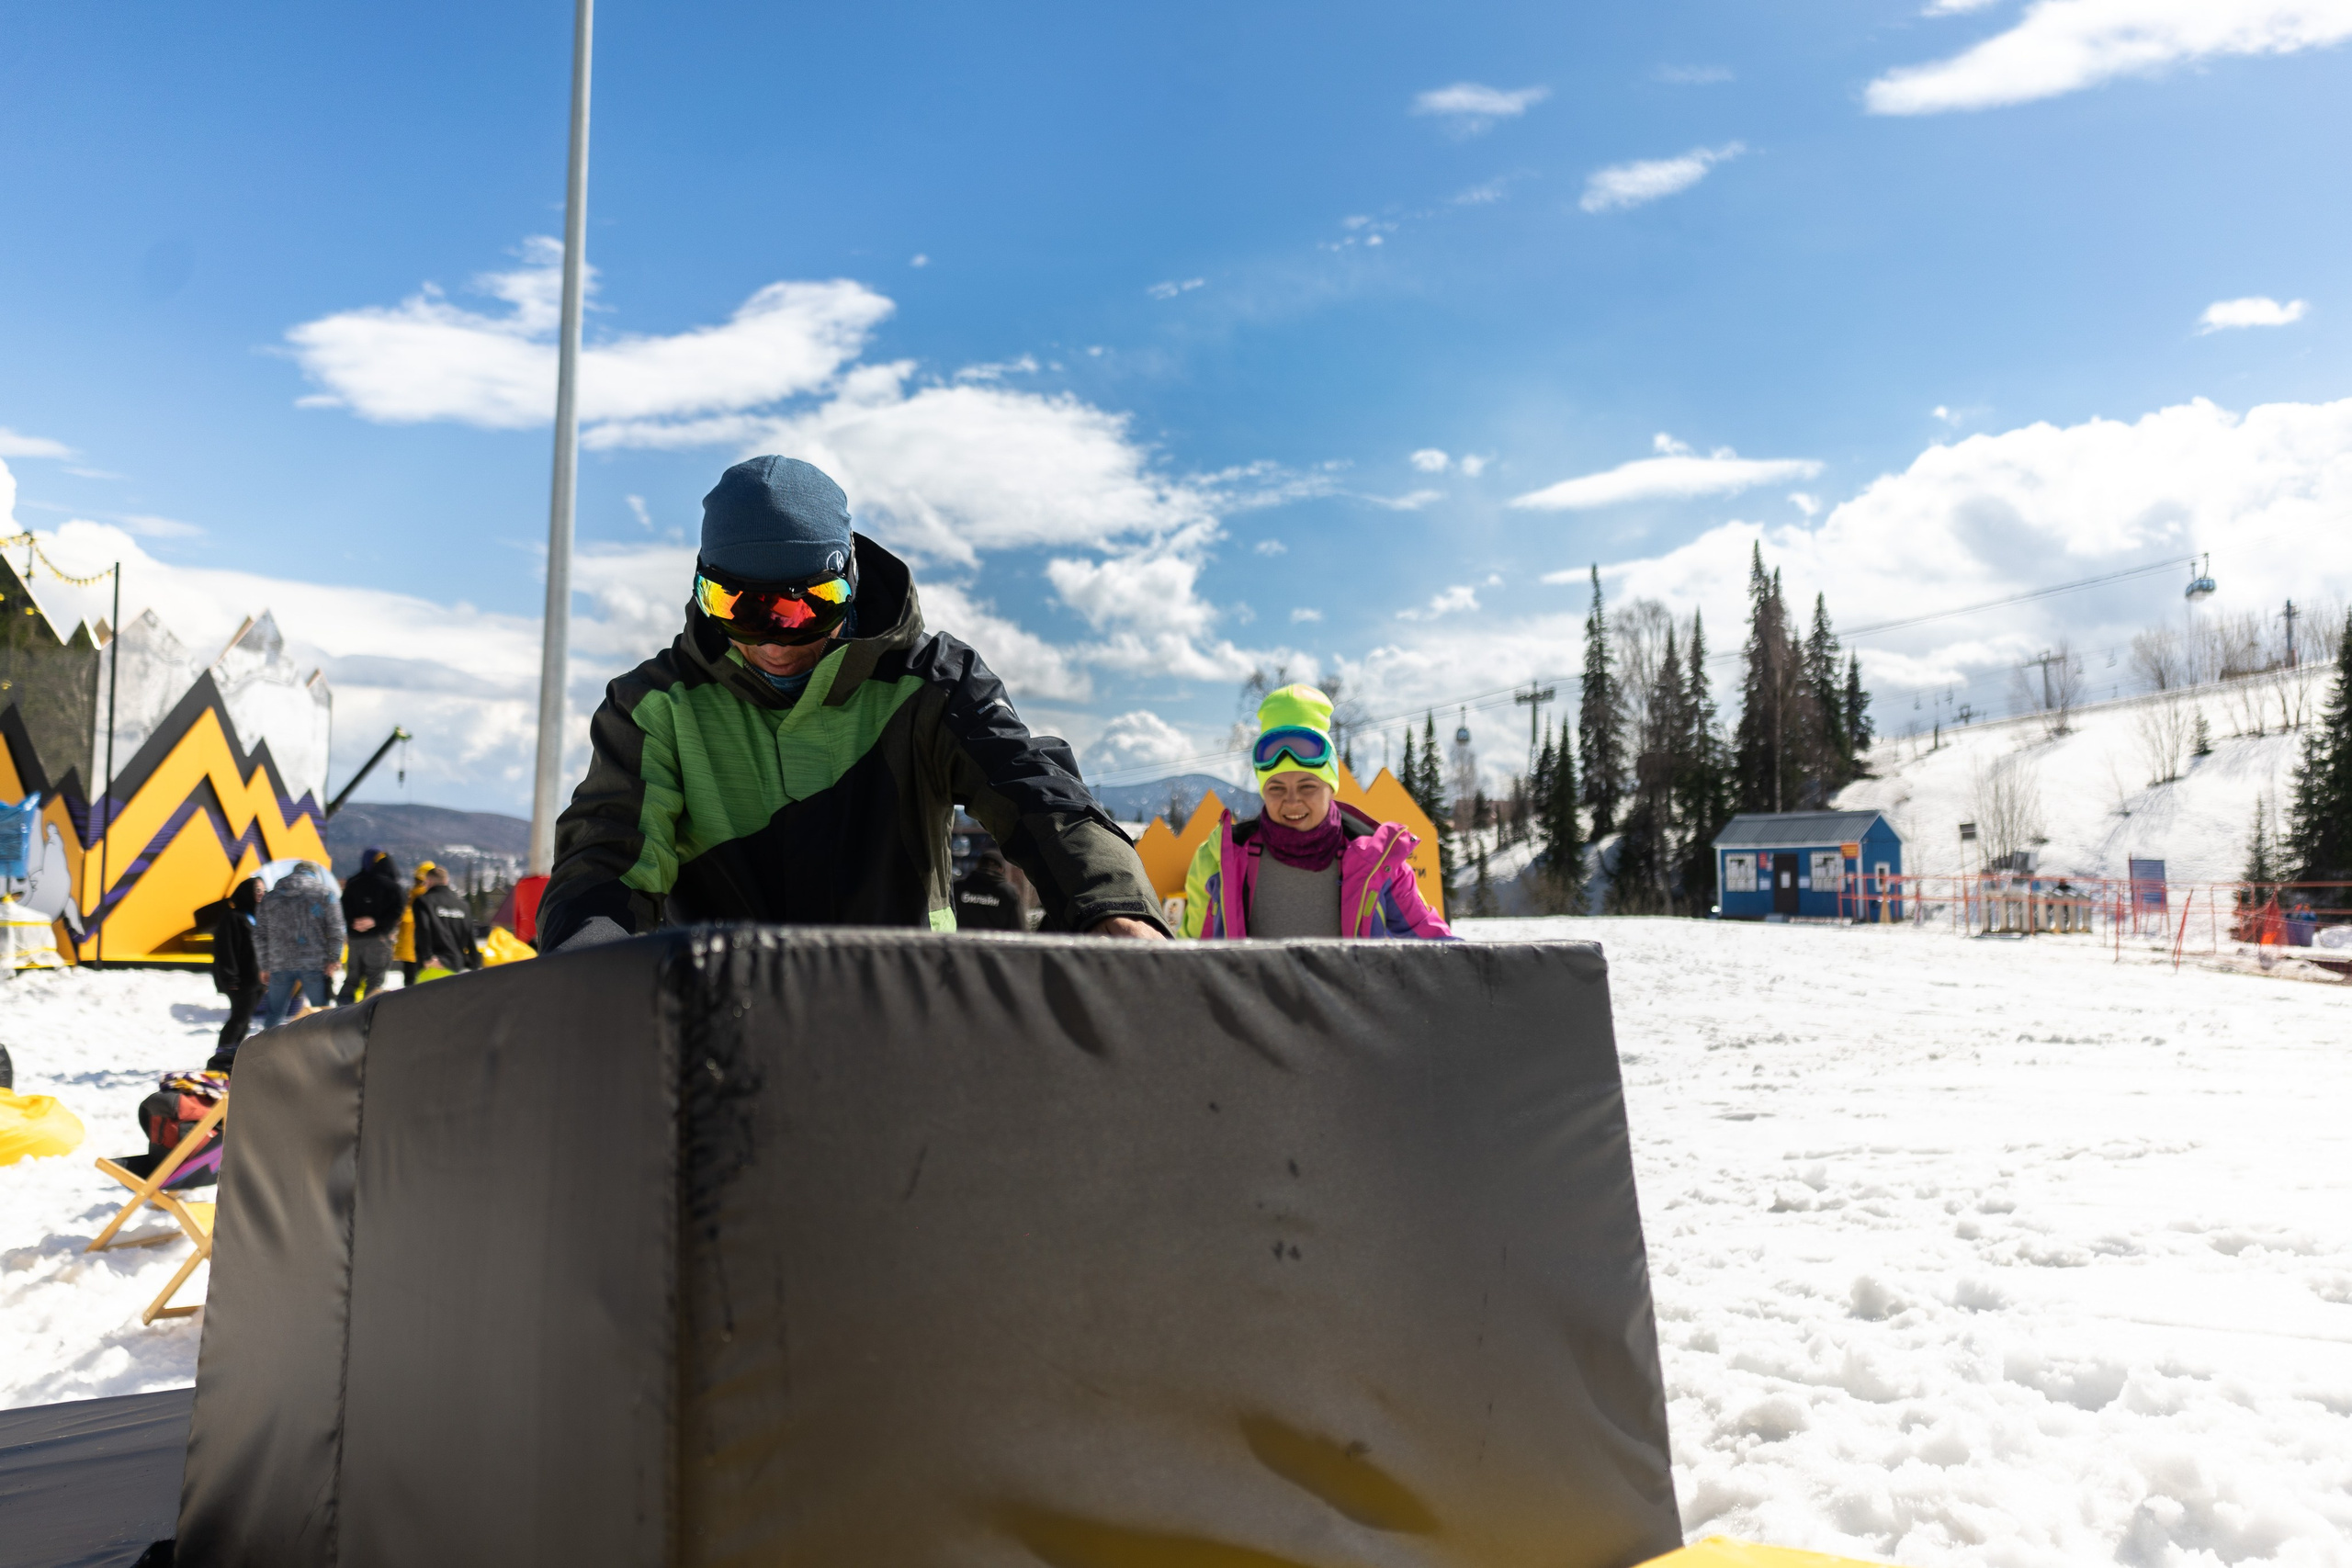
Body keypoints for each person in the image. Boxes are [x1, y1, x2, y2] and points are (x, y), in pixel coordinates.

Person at [538, 456, 1166, 948]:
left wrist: (1114, 908)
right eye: (740, 609)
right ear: (702, 590)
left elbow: (1036, 794)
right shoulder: (655, 708)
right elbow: (607, 859)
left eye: (807, 607)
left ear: (851, 582)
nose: (775, 643)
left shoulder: (934, 683)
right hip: (726, 1024)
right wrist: (585, 960)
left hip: (908, 1015)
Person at [1182, 684, 1453, 940]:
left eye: (1307, 786)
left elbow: (1432, 941)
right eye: (1276, 788)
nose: (1292, 801)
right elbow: (1191, 954)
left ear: (1331, 788)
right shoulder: (1219, 858)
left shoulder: (1378, 859)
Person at [256, 863, 345, 1028]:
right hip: (315, 962)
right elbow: (336, 929)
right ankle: (321, 1043)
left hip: (279, 962)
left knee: (274, 1014)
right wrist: (334, 958)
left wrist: (264, 965)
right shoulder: (325, 894)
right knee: (321, 1013)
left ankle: (268, 1043)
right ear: (314, 874)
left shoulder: (270, 898)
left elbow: (260, 935)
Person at [198, 876, 262, 1069]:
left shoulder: (256, 916)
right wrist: (230, 977)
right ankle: (221, 1056)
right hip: (240, 980)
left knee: (245, 1019)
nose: (261, 894)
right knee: (239, 1018)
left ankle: (231, 1056)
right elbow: (226, 950)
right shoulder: (232, 917)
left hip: (256, 979)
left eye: (263, 891)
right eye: (257, 890)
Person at [337, 848, 404, 1002]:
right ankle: (367, 1015)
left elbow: (342, 908)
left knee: (351, 981)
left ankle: (341, 1013)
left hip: (355, 940)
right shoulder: (392, 887)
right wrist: (375, 922)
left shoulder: (353, 883)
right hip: (379, 940)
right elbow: (397, 911)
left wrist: (354, 922)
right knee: (374, 982)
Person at [410, 865, 483, 976]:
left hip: (433, 966)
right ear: (446, 881)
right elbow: (470, 937)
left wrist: (427, 957)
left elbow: (423, 929)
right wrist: (476, 964)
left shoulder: (423, 902)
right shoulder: (463, 905)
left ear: (429, 881)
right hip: (458, 967)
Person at [953, 849, 1028, 931]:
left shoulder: (958, 887)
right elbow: (1018, 928)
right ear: (1001, 869)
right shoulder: (1009, 893)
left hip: (961, 939)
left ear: (978, 865)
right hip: (996, 939)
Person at [394, 859, 434, 985]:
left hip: (410, 944)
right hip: (417, 945)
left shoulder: (413, 895)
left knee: (410, 981)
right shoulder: (423, 896)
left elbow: (407, 917)